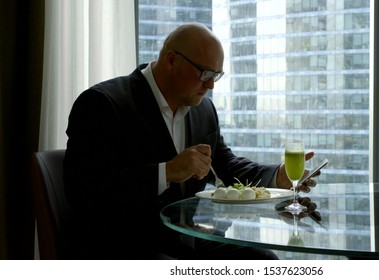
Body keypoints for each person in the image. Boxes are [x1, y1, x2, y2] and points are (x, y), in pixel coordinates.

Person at [63, 22, 317, 260]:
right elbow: (84, 191)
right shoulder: (102, 103)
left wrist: (278, 177)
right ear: (171, 60)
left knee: (263, 260)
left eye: (216, 75)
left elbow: (226, 166)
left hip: (185, 241)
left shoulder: (203, 109)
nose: (210, 86)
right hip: (121, 247)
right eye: (205, 73)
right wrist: (166, 172)